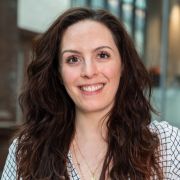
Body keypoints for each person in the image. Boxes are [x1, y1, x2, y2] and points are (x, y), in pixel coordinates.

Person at [1, 7, 180, 180]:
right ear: (59, 73)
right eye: (73, 59)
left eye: (102, 55)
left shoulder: (167, 145)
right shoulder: (26, 152)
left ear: (123, 65)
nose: (89, 71)